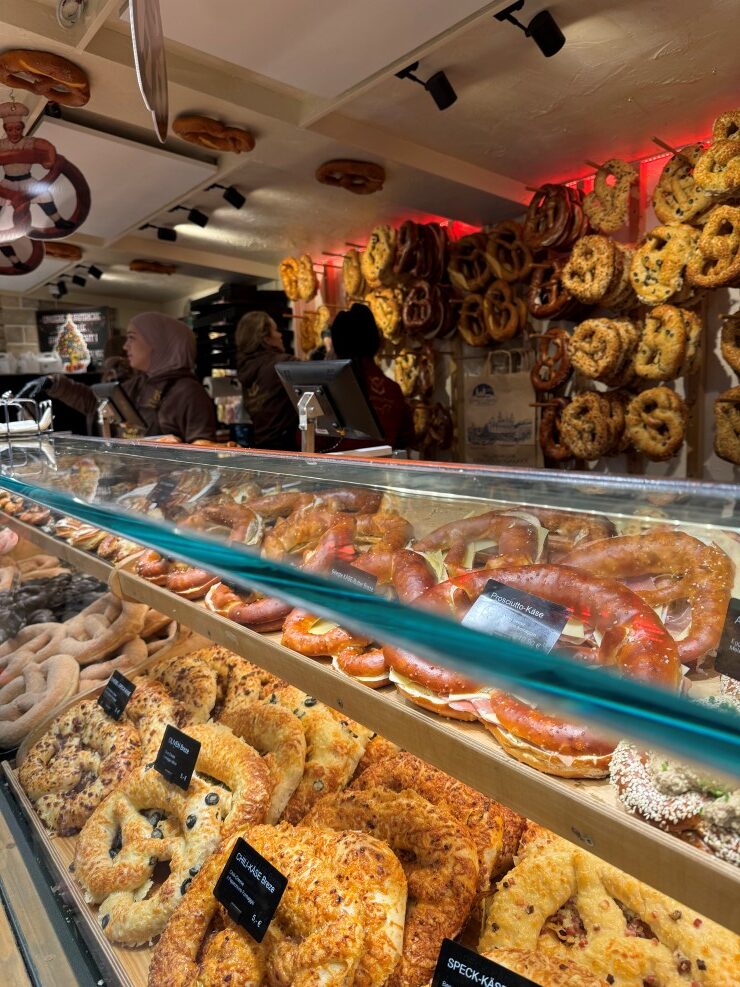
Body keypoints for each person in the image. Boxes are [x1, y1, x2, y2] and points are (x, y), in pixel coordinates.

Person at [22, 312, 217, 443]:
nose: (125, 347)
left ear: (157, 343)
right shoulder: (140, 383)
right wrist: (54, 383)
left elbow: (203, 452)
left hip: (169, 494)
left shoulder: (189, 393)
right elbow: (95, 403)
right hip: (136, 490)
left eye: (132, 338)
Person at [330, 303, 415, 450]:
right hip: (383, 470)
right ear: (376, 342)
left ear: (336, 345)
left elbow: (307, 440)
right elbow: (407, 438)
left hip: (333, 471)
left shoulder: (328, 389)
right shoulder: (392, 390)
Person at [234, 311, 299, 450]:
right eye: (275, 330)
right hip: (289, 447)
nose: (280, 335)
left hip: (262, 447)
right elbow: (325, 377)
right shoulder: (282, 365)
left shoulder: (245, 367)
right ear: (266, 339)